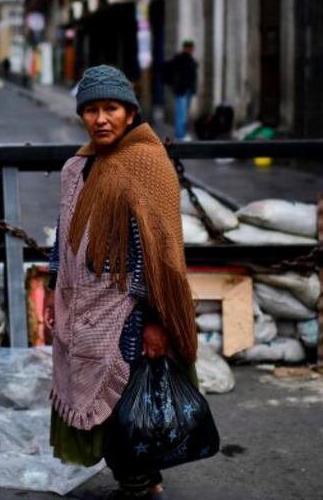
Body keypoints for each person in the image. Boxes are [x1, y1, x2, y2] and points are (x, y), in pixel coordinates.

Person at [46, 64, 198, 499]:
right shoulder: (78, 167)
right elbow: (64, 231)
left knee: (128, 409)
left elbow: (158, 252)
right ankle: (140, 481)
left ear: (130, 113)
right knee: (105, 407)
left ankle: (138, 484)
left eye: (110, 108)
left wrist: (156, 320)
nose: (100, 119)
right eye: (91, 110)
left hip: (128, 314)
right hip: (82, 309)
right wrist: (54, 284)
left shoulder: (147, 164)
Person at [164, 40, 198, 140]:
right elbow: (168, 71)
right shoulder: (179, 58)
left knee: (183, 113)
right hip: (181, 90)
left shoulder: (190, 59)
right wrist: (173, 85)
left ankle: (182, 133)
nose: (191, 50)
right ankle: (180, 135)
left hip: (187, 90)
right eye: (190, 48)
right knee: (181, 113)